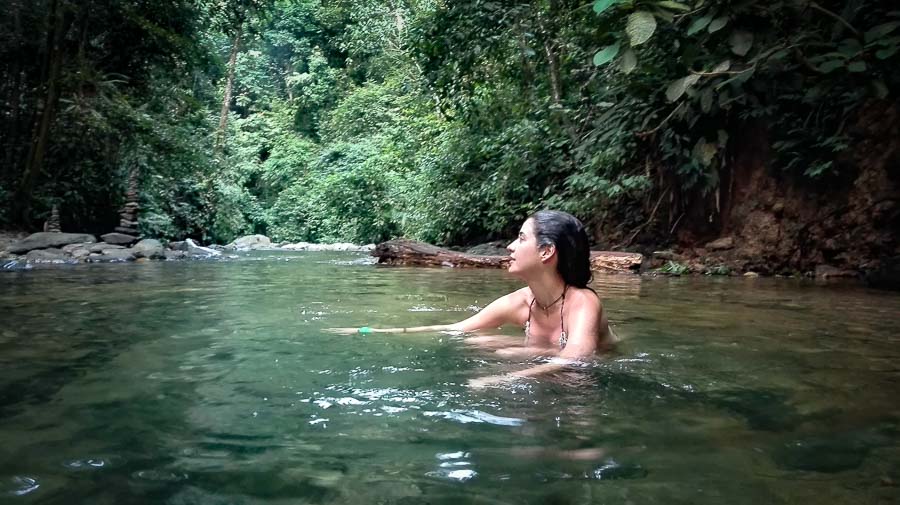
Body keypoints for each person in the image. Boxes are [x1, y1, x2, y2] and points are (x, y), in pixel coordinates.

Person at [327, 210, 617, 387]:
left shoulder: (583, 302)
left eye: (521, 238)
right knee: (477, 341)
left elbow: (576, 360)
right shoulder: (520, 301)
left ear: (546, 252)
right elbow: (455, 328)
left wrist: (506, 378)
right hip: (550, 358)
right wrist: (370, 331)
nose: (510, 245)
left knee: (508, 354)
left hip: (590, 371)